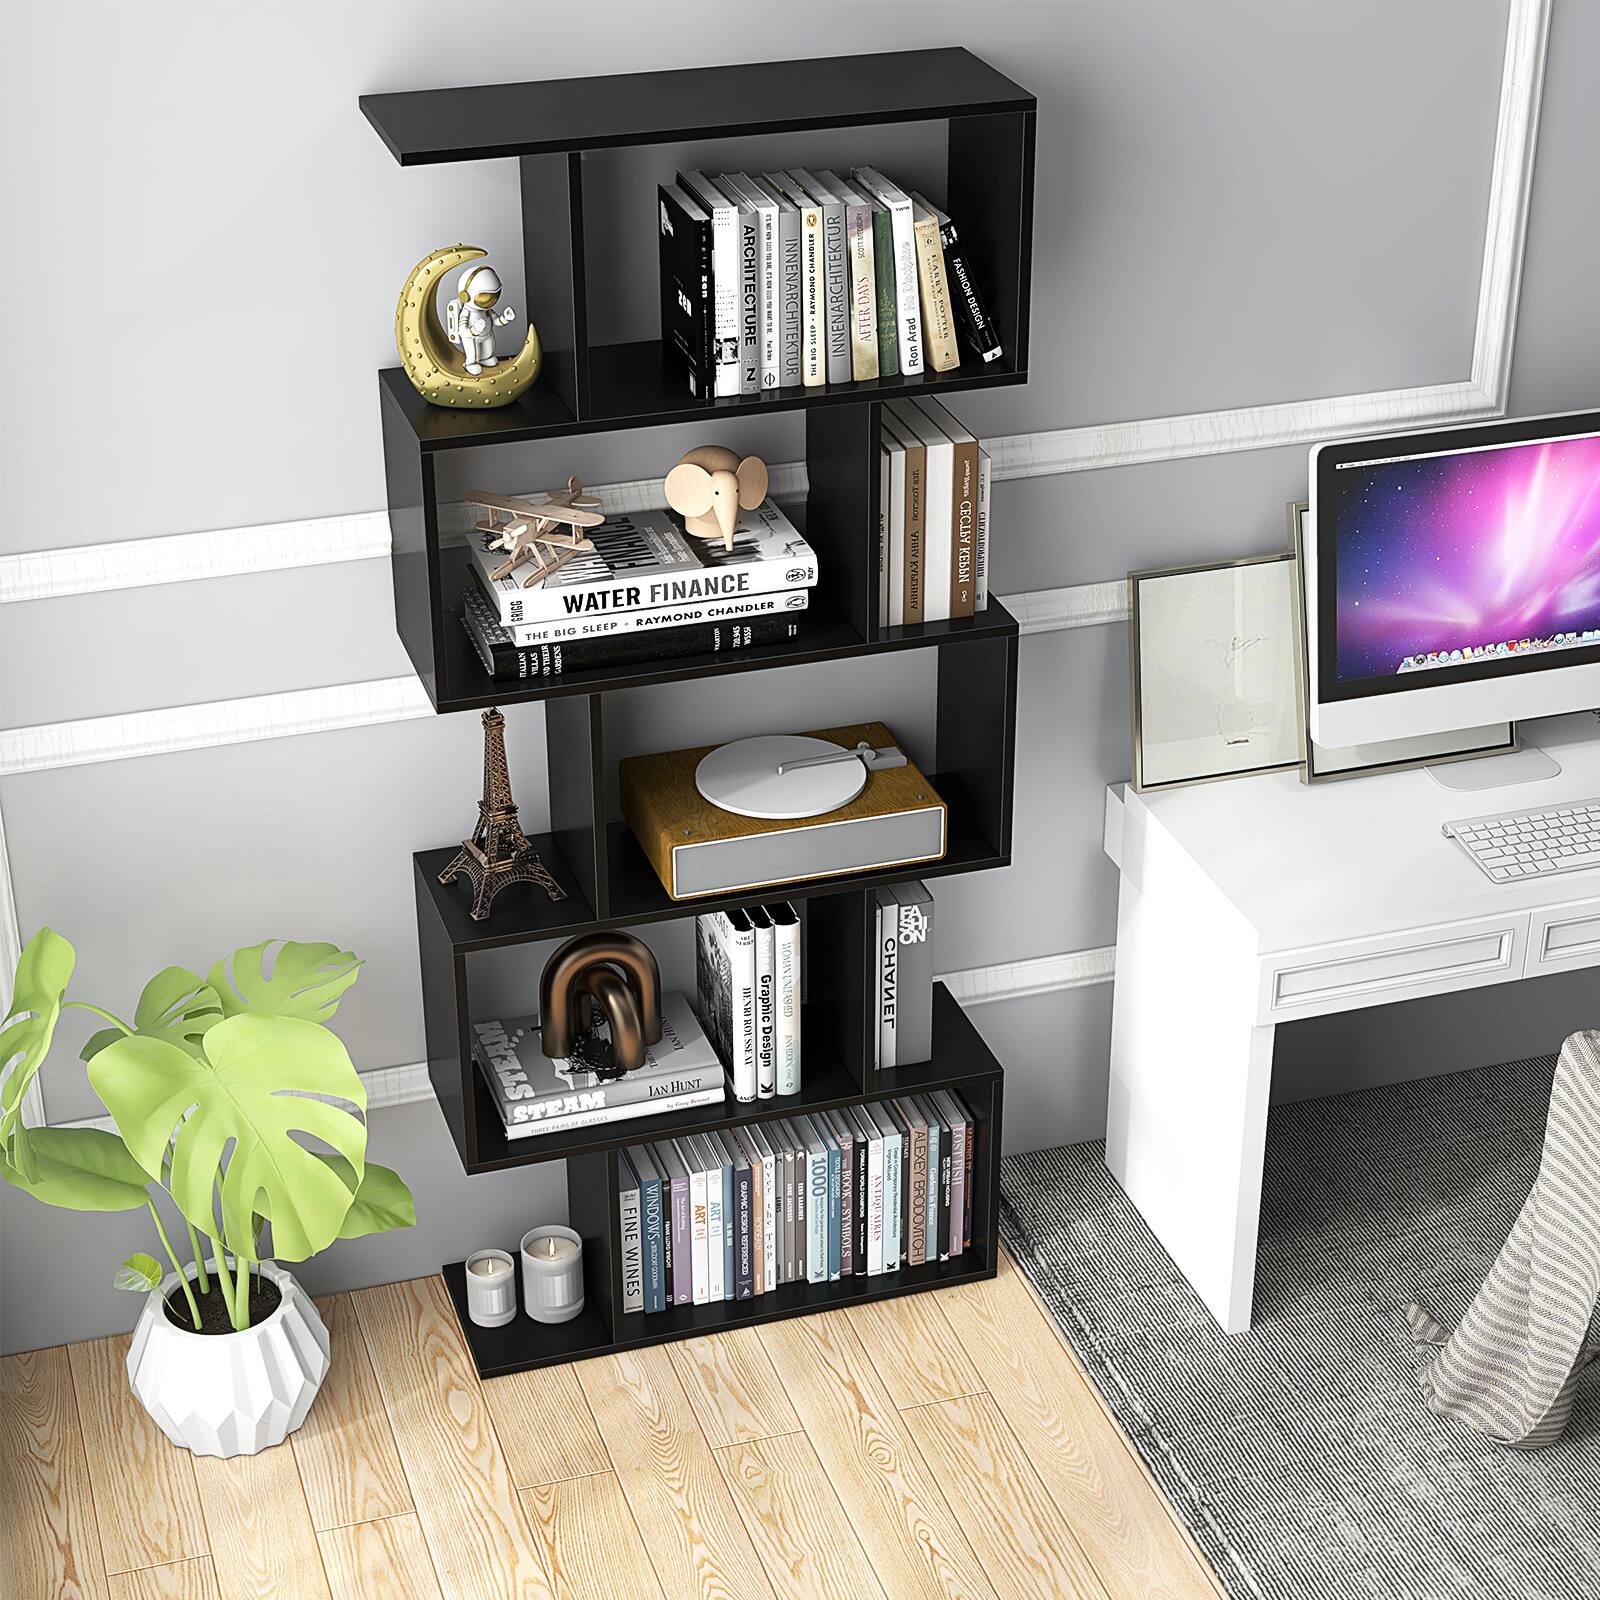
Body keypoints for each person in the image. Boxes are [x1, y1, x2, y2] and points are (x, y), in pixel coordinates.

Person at [447, 264, 517, 374]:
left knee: (488, 352)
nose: (491, 301)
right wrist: (474, 330)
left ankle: (484, 359)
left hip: (487, 335)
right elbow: (462, 330)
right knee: (472, 355)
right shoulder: (467, 312)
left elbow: (496, 321)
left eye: (495, 296)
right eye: (485, 297)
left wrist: (505, 318)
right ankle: (470, 364)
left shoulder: (487, 310)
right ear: (466, 296)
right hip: (471, 338)